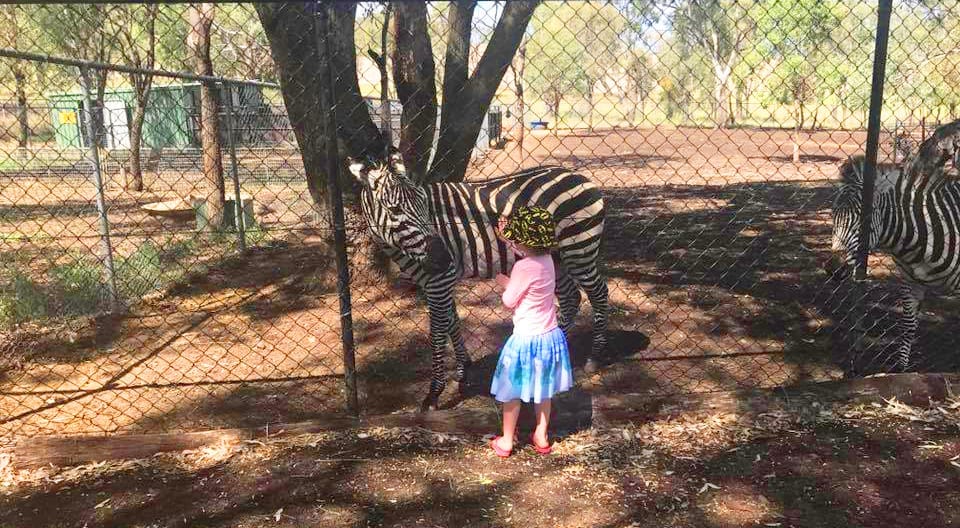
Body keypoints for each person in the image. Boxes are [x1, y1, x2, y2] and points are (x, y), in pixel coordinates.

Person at [489, 206, 574, 458]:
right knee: (543, 388)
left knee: (511, 391)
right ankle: (541, 434)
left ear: (523, 241)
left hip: (525, 340)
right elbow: (528, 254)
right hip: (549, 336)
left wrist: (503, 282)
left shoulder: (522, 269)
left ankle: (506, 441)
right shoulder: (547, 260)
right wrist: (508, 239)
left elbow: (510, 300)